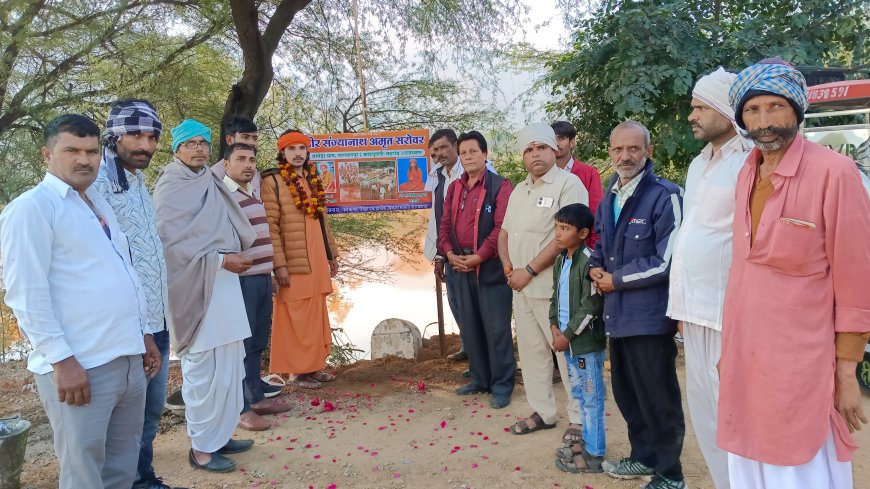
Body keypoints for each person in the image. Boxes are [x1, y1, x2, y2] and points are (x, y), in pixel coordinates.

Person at [719, 58, 870, 489]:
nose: (764, 121)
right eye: (753, 110)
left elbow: (857, 282)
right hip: (747, 356)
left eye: (775, 107)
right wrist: (730, 348)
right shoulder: (746, 171)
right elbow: (744, 274)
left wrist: (846, 373)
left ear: (797, 111)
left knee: (799, 466)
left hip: (804, 365)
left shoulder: (835, 172)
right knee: (747, 460)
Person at [0, 114, 160, 489]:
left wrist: (145, 334)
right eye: (71, 150)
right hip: (81, 366)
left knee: (121, 466)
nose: (84, 159)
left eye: (91, 151)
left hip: (126, 357)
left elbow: (124, 272)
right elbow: (25, 293)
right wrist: (62, 360)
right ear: (47, 154)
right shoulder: (32, 209)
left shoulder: (96, 202)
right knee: (84, 472)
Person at [90, 100, 185, 489]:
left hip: (155, 321)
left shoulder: (139, 183)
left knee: (149, 412)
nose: (145, 144)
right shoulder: (96, 185)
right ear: (114, 135)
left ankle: (142, 478)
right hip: (125, 327)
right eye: (135, 134)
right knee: (124, 418)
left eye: (151, 136)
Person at [154, 118, 256, 473]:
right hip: (195, 286)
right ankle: (200, 449)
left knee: (229, 366)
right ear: (177, 149)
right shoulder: (171, 184)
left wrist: (228, 259)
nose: (198, 148)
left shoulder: (210, 179)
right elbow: (170, 245)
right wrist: (221, 258)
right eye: (190, 143)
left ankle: (221, 435)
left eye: (203, 143)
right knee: (202, 370)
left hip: (224, 285)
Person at [588, 120, 685, 489]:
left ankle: (671, 474)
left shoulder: (666, 195)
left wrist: (616, 280)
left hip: (648, 318)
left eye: (633, 149)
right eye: (618, 149)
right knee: (628, 393)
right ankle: (642, 457)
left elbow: (667, 260)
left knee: (658, 396)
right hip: (618, 317)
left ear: (649, 151)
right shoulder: (610, 196)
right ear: (610, 152)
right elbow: (601, 245)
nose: (625, 156)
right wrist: (595, 268)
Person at [665, 68, 750, 489]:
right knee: (705, 414)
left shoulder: (751, 161)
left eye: (700, 107)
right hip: (693, 312)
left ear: (724, 109)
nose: (691, 116)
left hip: (728, 313)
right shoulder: (699, 164)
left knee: (735, 416)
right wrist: (680, 310)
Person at [498, 122, 588, 444]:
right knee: (533, 354)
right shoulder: (520, 190)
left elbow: (565, 238)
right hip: (520, 287)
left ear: (554, 150)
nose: (535, 154)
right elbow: (505, 233)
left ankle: (580, 419)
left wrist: (529, 271)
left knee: (566, 355)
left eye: (541, 147)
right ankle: (543, 413)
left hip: (555, 289)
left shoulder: (569, 184)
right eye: (528, 149)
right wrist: (510, 268)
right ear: (523, 156)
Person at [437, 131, 515, 408]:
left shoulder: (500, 186)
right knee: (470, 327)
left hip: (489, 267)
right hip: (459, 266)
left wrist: (480, 256)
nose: (469, 157)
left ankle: (503, 385)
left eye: (474, 151)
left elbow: (501, 229)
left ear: (485, 154)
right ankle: (480, 379)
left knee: (497, 329)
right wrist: (448, 253)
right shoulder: (455, 187)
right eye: (465, 152)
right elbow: (444, 225)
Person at [221, 143, 291, 431]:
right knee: (241, 345)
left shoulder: (253, 191)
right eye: (241, 159)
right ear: (226, 165)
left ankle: (256, 397)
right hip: (241, 280)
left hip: (262, 277)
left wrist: (272, 270)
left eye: (252, 159)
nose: (248, 165)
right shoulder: (223, 195)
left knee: (258, 343)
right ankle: (240, 409)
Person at [262, 129, 340, 389]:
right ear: (282, 152)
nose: (298, 153)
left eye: (302, 148)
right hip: (293, 261)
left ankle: (314, 367)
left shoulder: (311, 178)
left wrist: (332, 255)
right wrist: (279, 264)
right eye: (292, 148)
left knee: (315, 312)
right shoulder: (272, 181)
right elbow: (270, 227)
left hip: (316, 257)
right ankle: (297, 372)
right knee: (295, 314)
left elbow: (321, 220)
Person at [549, 203, 607, 475]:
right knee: (579, 394)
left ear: (583, 232)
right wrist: (553, 327)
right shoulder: (561, 259)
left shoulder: (589, 261)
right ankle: (587, 442)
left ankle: (595, 453)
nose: (558, 234)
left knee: (592, 396)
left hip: (584, 345)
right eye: (556, 227)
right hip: (567, 343)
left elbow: (591, 307)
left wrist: (568, 335)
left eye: (565, 228)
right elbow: (554, 297)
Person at [424, 129, 469, 364]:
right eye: (434, 152)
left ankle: (483, 352)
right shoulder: (439, 176)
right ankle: (468, 347)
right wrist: (439, 256)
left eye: (443, 148)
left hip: (471, 252)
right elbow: (437, 216)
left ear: (455, 146)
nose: (439, 154)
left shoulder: (472, 172)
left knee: (474, 303)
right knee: (455, 301)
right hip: (448, 250)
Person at [551, 121, 604, 247]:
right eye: (553, 139)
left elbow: (596, 213)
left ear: (572, 142)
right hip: (548, 246)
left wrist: (592, 248)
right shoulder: (543, 174)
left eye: (561, 138)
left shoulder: (588, 173)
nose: (556, 143)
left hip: (579, 247)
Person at [211, 116, 262, 197]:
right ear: (229, 140)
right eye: (245, 137)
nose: (252, 143)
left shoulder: (256, 175)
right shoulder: (214, 177)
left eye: (255, 139)